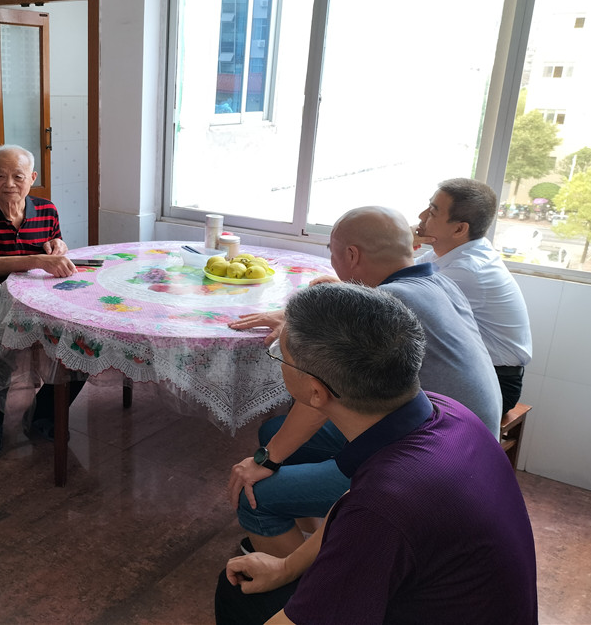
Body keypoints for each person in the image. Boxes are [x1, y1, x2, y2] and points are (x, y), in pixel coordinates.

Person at [215, 284, 538, 625]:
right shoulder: (448, 413)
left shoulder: (384, 506)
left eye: (280, 355)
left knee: (237, 596)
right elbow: (350, 503)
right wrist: (286, 567)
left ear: (315, 392)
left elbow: (369, 515)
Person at [228, 206, 501, 558]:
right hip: (466, 439)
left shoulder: (392, 302)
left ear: (352, 255)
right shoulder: (435, 282)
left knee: (255, 495)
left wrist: (265, 462)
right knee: (274, 432)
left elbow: (322, 398)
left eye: (332, 252)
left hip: (431, 465)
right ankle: (314, 538)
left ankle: (302, 576)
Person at [0, 144, 83, 454]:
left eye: (18, 176)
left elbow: (54, 243)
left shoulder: (47, 210)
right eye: (0, 176)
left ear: (32, 177)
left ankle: (44, 412)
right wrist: (40, 260)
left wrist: (57, 246)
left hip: (41, 298)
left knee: (80, 347)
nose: (9, 184)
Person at [414, 177, 532, 414]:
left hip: (496, 382)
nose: (421, 215)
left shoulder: (468, 270)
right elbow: (398, 276)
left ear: (459, 229)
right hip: (473, 369)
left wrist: (397, 244)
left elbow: (392, 294)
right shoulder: (452, 253)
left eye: (433, 212)